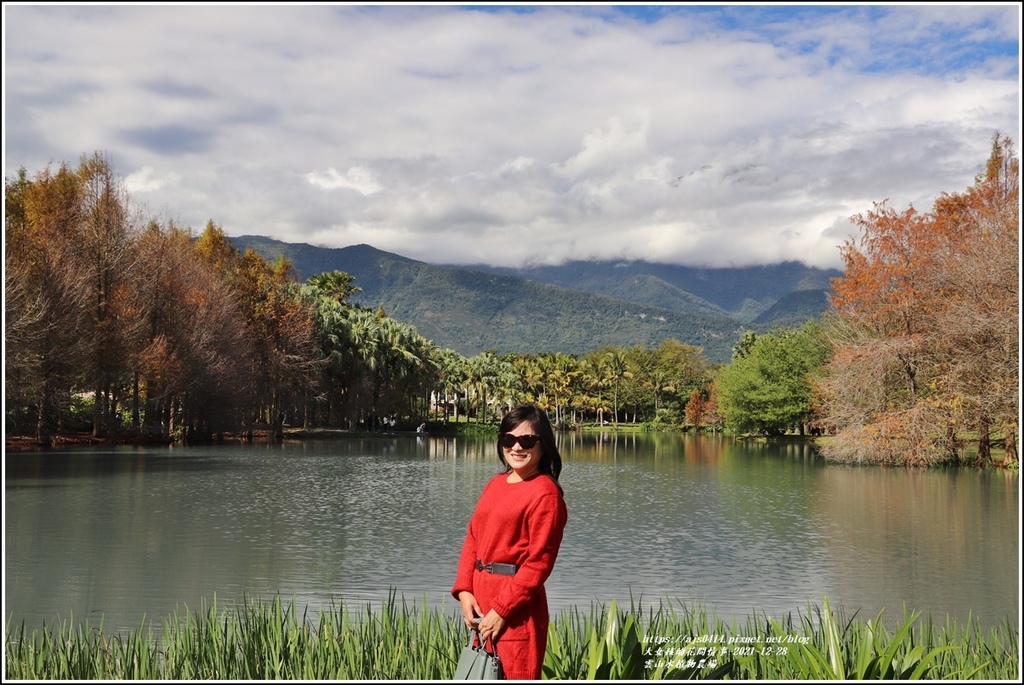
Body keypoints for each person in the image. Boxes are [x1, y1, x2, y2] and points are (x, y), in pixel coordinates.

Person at [451, 404, 568, 680]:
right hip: (481, 608)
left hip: (516, 613)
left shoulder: (545, 495)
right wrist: (465, 590)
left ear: (543, 445)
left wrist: (501, 611)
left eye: (526, 440)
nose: (516, 447)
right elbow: (473, 537)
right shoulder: (497, 483)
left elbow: (538, 565)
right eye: (508, 439)